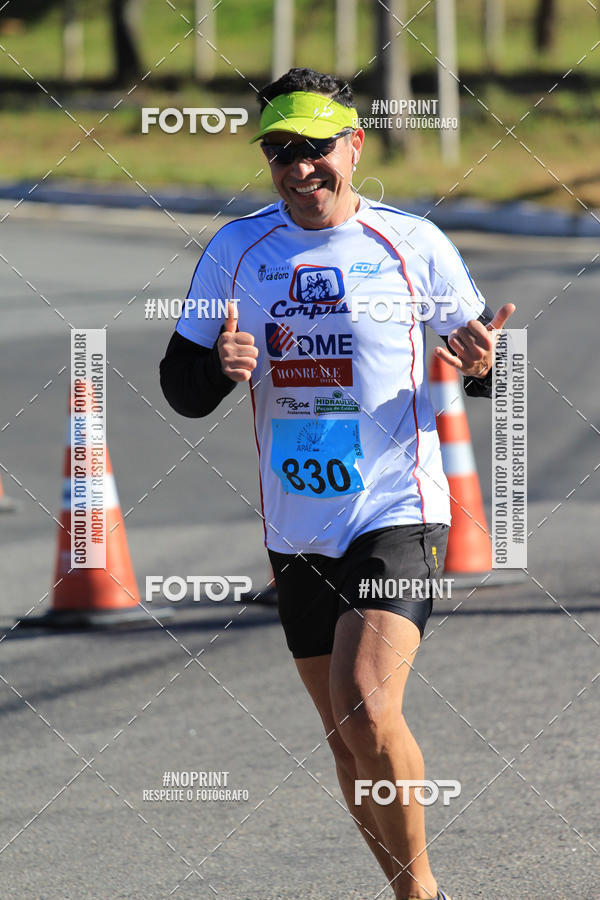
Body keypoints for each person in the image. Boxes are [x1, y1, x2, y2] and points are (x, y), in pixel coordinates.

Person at [160, 67, 515, 900]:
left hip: (397, 509)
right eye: (280, 151)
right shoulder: (236, 251)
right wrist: (218, 367)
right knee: (345, 735)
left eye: (316, 148)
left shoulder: (412, 244)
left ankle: (422, 893)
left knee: (365, 701)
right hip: (297, 525)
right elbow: (180, 386)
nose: (299, 168)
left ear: (354, 146)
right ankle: (406, 890)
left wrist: (485, 369)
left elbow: (486, 364)